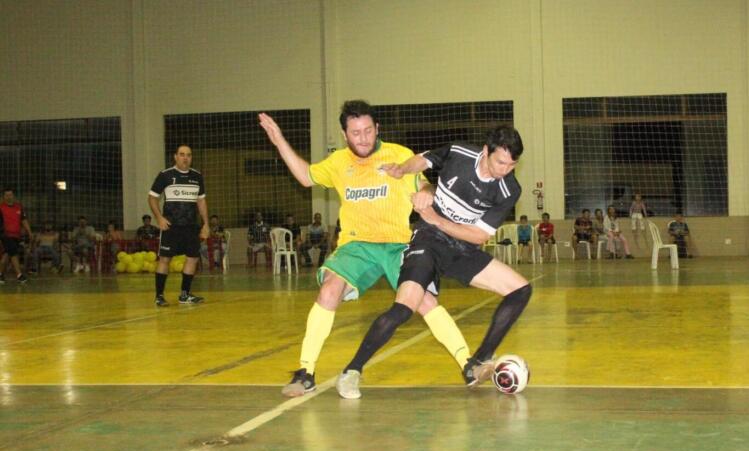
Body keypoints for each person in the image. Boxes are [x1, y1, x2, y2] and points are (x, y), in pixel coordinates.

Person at [259, 100, 471, 397]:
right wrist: (279, 139)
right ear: (345, 135)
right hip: (356, 246)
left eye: (368, 130)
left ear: (377, 129)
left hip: (397, 245)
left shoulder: (399, 155)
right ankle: (306, 372)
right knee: (329, 290)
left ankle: (468, 364)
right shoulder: (338, 163)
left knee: (425, 302)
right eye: (355, 132)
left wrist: (425, 194)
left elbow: (424, 186)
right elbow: (306, 177)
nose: (363, 138)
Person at [334, 125, 531, 399]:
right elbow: (423, 159)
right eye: (500, 162)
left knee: (521, 290)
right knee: (404, 308)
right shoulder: (458, 153)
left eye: (511, 165)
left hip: (462, 246)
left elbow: (478, 236)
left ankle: (478, 361)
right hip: (428, 240)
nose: (504, 170)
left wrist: (437, 218)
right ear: (486, 151)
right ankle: (352, 371)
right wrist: (403, 169)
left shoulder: (510, 189)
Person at [148, 144, 210, 306]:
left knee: (192, 258)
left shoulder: (197, 176)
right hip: (171, 227)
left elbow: (201, 201)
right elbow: (152, 198)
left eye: (188, 155)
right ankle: (159, 296)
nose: (185, 158)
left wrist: (206, 224)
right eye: (182, 154)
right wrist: (159, 218)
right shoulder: (165, 175)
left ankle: (185, 294)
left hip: (191, 226)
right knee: (165, 260)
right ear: (175, 157)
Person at [0, 188, 32, 284]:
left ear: (13, 196)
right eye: (7, 195)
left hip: (16, 236)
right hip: (5, 235)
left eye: (10, 195)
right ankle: (19, 275)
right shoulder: (1, 208)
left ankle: (0, 274)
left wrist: (29, 232)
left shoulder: (19, 207)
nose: (9, 197)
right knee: (13, 253)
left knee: (6, 256)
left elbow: (24, 220)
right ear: (3, 197)